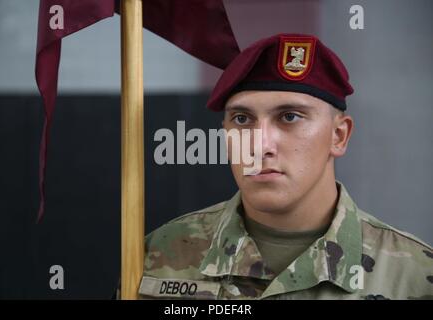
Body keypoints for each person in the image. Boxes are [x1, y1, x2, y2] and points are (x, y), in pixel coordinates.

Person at [138, 34, 433, 299]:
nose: (260, 145)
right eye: (242, 119)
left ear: (338, 136)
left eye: (289, 117)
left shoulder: (414, 277)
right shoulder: (157, 254)